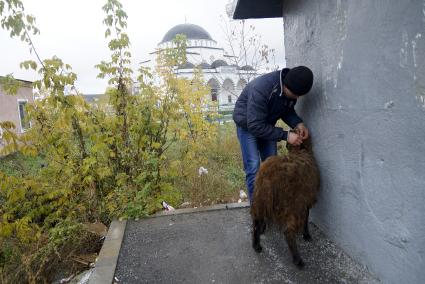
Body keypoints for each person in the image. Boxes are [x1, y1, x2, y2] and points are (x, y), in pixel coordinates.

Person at [232, 66, 314, 203]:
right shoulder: (262, 88)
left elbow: (286, 110)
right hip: (247, 125)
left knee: (272, 165)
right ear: (287, 87)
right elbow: (255, 125)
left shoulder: (289, 88)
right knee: (253, 167)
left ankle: (271, 204)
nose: (297, 98)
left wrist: (298, 124)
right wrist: (287, 135)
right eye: (296, 95)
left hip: (265, 124)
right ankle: (257, 211)